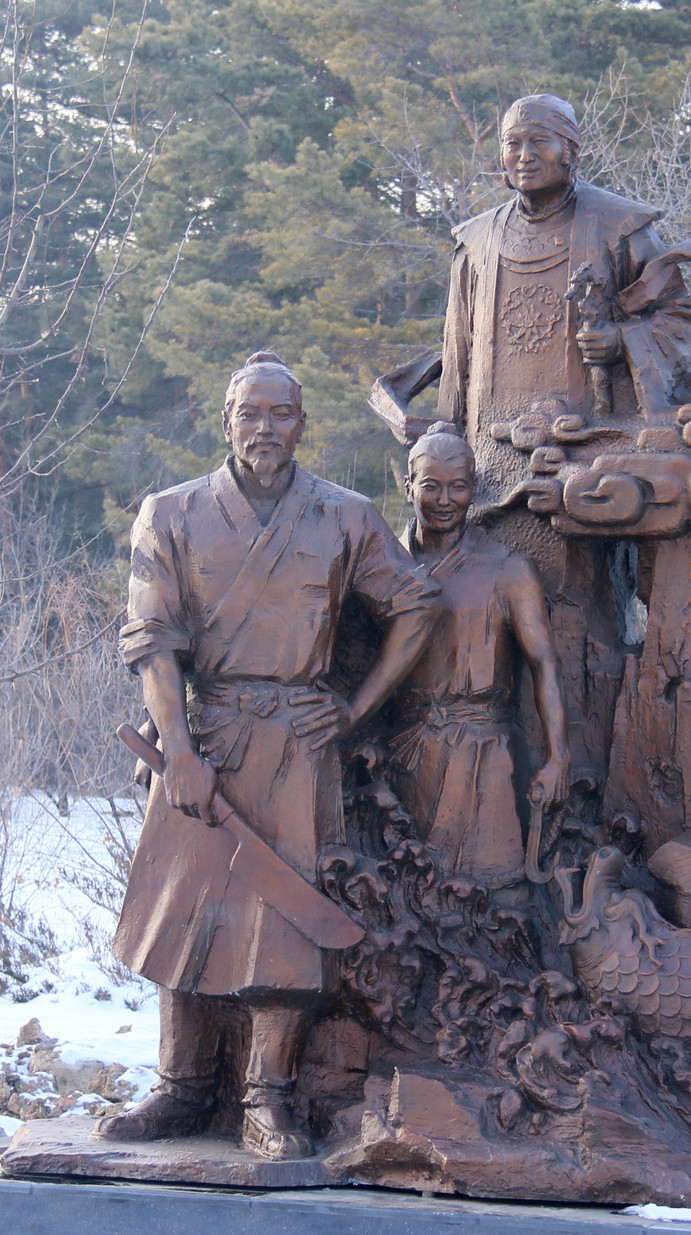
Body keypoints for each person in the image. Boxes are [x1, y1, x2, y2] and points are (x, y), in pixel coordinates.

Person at [96, 352, 441, 1159]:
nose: (265, 429)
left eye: (280, 414)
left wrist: (354, 710)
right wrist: (177, 750)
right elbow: (151, 643)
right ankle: (182, 1087)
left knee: (287, 920)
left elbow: (416, 606)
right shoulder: (170, 514)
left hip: (296, 743)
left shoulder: (345, 517)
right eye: (249, 413)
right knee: (181, 916)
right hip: (202, 738)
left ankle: (267, 1098)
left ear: (302, 424)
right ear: (227, 421)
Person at [437, 93, 691, 770]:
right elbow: (459, 360)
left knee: (578, 631)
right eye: (510, 144)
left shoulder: (619, 229)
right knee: (478, 629)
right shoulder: (476, 243)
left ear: (571, 151)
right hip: (488, 473)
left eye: (537, 142)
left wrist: (620, 341)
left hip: (583, 470)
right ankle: (489, 782)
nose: (522, 156)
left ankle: (581, 782)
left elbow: (681, 322)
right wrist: (441, 446)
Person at [391, 423, 569, 890]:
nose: (445, 500)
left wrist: (557, 758)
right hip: (405, 751)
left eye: (459, 487)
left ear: (475, 490)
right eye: (431, 486)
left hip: (484, 757)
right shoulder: (386, 564)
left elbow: (544, 665)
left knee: (493, 895)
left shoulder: (508, 570)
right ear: (407, 486)